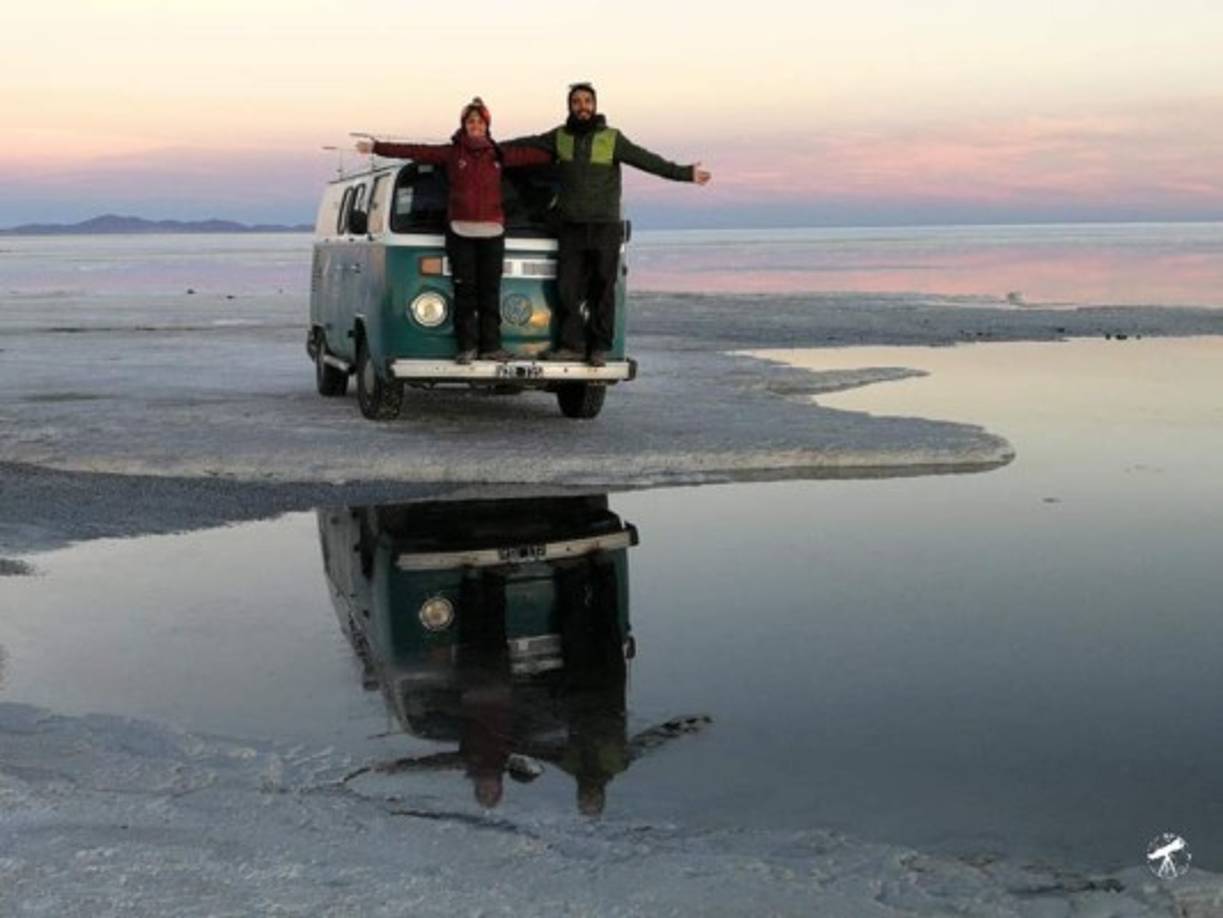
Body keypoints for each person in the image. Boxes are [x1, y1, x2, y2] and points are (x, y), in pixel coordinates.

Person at [512, 83, 711, 366]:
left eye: (587, 101)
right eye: (577, 102)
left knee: (603, 289)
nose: (582, 106)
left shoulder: (611, 138)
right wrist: (488, 146)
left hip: (604, 226)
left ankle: (598, 348)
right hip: (571, 227)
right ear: (569, 106)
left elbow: (647, 161)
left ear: (595, 105)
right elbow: (527, 143)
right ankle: (571, 345)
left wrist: (684, 173)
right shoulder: (560, 137)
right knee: (567, 290)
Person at [356, 99, 551, 363]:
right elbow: (417, 151)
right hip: (460, 232)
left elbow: (533, 155)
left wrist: (566, 153)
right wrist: (377, 147)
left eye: (480, 122)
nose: (475, 126)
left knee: (490, 292)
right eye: (471, 121)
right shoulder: (452, 154)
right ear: (464, 125)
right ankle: (467, 347)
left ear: (487, 126)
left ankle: (491, 347)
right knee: (465, 292)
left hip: (492, 233)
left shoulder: (499, 154)